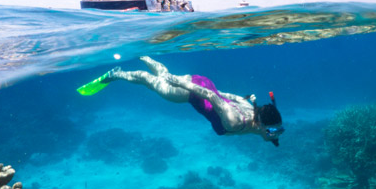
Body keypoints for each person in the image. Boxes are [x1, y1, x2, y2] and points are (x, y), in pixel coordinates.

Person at [77, 56, 284, 146]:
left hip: (204, 83)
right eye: (274, 130)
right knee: (149, 82)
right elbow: (211, 97)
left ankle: (146, 57)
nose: (274, 134)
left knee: (162, 76)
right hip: (193, 92)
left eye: (277, 131)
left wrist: (273, 136)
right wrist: (180, 83)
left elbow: (231, 96)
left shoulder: (251, 110)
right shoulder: (235, 122)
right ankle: (117, 73)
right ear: (263, 123)